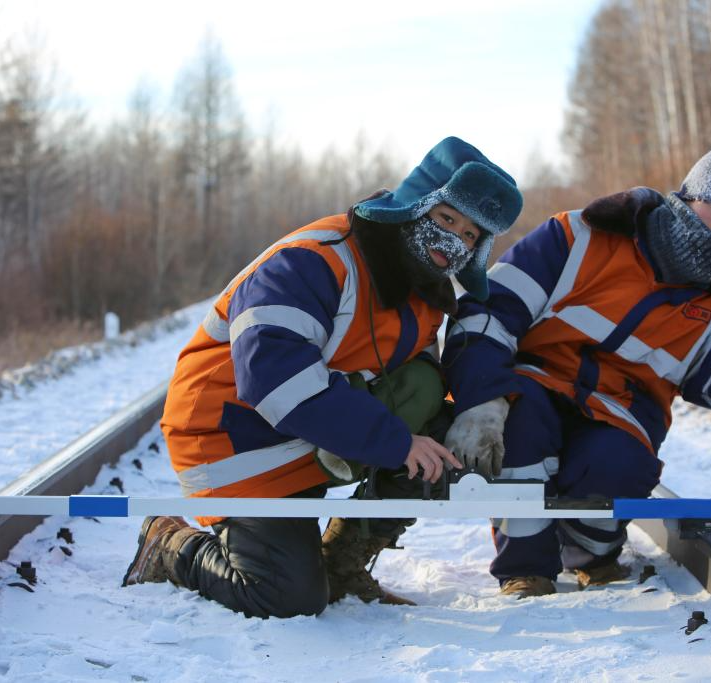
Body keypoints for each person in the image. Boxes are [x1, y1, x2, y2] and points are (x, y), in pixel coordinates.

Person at [122, 137, 524, 617]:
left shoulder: (423, 290)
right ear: (416, 205)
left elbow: (417, 383)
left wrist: (477, 409)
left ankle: (341, 564)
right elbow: (273, 377)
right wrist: (395, 443)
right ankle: (169, 544)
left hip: (311, 435)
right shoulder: (315, 260)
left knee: (437, 416)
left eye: (471, 235)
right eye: (447, 219)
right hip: (233, 438)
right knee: (285, 598)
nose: (454, 240)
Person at [441, 146, 711, 598]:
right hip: (535, 388)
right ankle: (525, 567)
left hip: (623, 414)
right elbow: (488, 312)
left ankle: (591, 553)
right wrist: (482, 399)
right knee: (520, 426)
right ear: (691, 197)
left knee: (618, 464)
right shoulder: (577, 237)